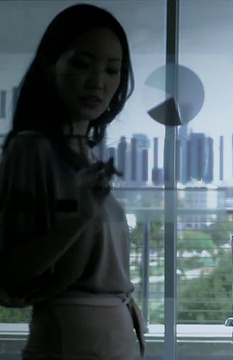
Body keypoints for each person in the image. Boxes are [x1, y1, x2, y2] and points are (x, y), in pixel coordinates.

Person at [0, 4, 144, 359]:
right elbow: (9, 274)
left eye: (113, 70)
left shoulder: (85, 155)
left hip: (115, 335)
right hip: (75, 339)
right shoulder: (32, 150)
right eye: (82, 64)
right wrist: (79, 216)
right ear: (51, 66)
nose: (98, 82)